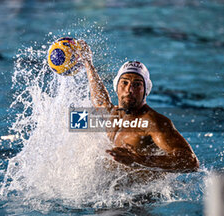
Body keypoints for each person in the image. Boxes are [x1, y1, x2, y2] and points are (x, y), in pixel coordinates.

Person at [77, 40, 199, 172]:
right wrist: (88, 63)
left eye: (137, 84)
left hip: (144, 192)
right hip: (115, 191)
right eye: (124, 82)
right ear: (116, 87)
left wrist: (139, 160)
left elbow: (190, 161)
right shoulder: (112, 114)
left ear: (145, 90)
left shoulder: (153, 122)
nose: (129, 89)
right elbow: (100, 101)